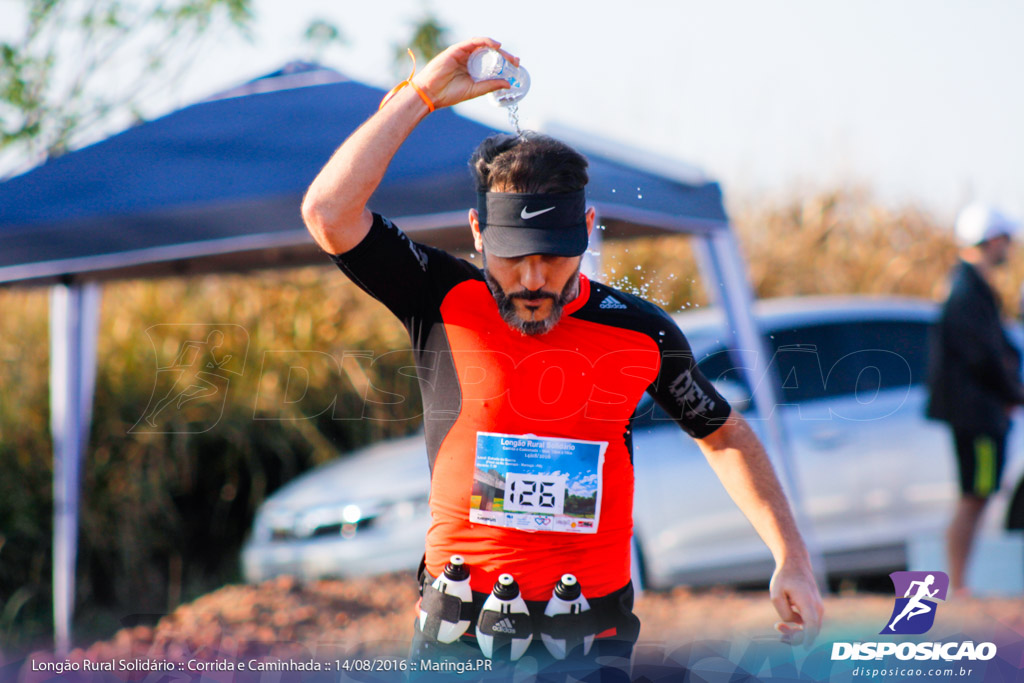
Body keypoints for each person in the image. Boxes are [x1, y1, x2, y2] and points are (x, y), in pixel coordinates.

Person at [301, 36, 823, 680]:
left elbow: (722, 434)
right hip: (461, 636)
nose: (533, 277)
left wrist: (790, 555)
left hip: (592, 637)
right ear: (476, 232)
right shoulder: (442, 297)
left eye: (554, 254)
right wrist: (423, 96)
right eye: (514, 254)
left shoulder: (638, 331)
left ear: (589, 229)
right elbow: (328, 212)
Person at [926, 202, 1024, 595]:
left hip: (981, 412)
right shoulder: (967, 291)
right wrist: (1014, 393)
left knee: (977, 495)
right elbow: (984, 356)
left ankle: (960, 583)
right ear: (994, 240)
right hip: (977, 416)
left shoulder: (973, 288)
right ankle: (958, 586)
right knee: (974, 495)